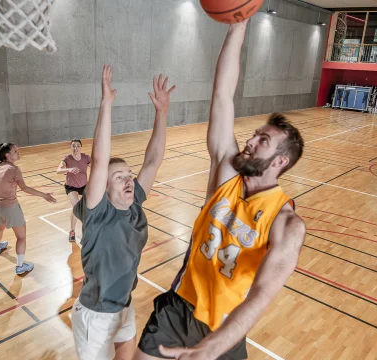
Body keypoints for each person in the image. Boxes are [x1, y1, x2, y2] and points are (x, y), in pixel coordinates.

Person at [136, 20, 306, 360]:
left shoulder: (286, 224)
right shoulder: (226, 173)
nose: (249, 140)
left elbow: (262, 294)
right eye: (255, 133)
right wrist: (238, 26)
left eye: (262, 141)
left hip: (224, 331)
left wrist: (211, 348)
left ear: (279, 161)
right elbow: (223, 95)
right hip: (177, 307)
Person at [70, 65, 175, 360]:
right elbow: (100, 159)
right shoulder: (97, 212)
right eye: (120, 177)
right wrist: (107, 103)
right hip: (95, 315)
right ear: (103, 186)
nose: (129, 179)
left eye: (129, 174)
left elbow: (153, 160)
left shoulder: (135, 204)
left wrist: (162, 113)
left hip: (124, 307)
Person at [0, 143, 57, 275]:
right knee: (21, 237)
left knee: (0, 227)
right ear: (7, 155)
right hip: (10, 208)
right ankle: (20, 267)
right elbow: (25, 188)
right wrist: (44, 195)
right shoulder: (14, 169)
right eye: (15, 151)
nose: (18, 153)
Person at [57, 139, 91, 242]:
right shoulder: (67, 159)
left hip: (84, 186)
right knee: (76, 206)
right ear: (71, 147)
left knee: (89, 207)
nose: (75, 148)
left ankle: (89, 230)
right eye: (73, 146)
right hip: (71, 187)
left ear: (81, 147)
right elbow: (58, 170)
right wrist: (69, 169)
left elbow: (95, 167)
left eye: (77, 146)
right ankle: (72, 231)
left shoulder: (86, 158)